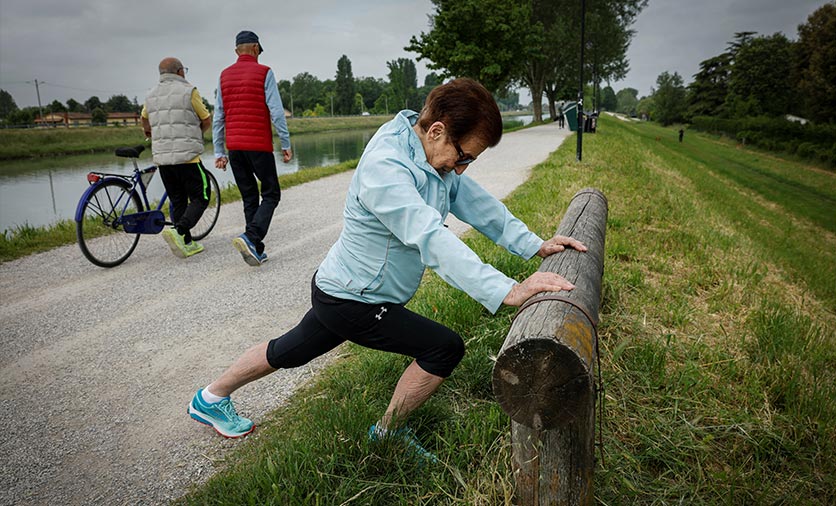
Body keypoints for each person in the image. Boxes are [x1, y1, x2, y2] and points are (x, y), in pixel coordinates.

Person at [188, 78, 587, 460]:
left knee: (288, 351)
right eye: (463, 156)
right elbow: (430, 236)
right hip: (354, 299)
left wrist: (534, 244)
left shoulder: (433, 159)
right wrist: (506, 290)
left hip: (340, 287)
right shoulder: (387, 167)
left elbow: (477, 203)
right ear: (436, 131)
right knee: (443, 348)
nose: (462, 168)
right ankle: (387, 434)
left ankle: (210, 397)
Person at [213, 30, 293, 267]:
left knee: (249, 196)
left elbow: (219, 116)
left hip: (235, 147)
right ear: (256, 48)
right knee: (271, 193)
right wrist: (285, 144)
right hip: (258, 146)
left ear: (237, 51)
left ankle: (255, 249)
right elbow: (277, 112)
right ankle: (251, 236)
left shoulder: (224, 75)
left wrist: (219, 151)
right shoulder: (264, 72)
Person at [142, 57, 212, 258]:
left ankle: (187, 242)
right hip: (188, 157)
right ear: (180, 72)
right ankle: (179, 230)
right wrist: (196, 134)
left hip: (164, 159)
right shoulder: (189, 91)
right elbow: (205, 119)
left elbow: (144, 119)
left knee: (178, 199)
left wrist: (150, 133)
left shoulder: (151, 94)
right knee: (201, 196)